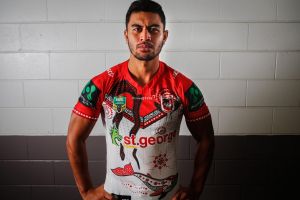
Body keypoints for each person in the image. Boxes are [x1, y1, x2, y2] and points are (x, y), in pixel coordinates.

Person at [66, 0, 214, 199]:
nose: (145, 36)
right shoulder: (101, 84)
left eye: (154, 29)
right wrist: (86, 192)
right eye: (137, 29)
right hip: (115, 195)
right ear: (126, 35)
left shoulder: (184, 87)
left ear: (165, 36)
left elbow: (206, 138)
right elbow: (74, 138)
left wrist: (195, 190)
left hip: (167, 196)